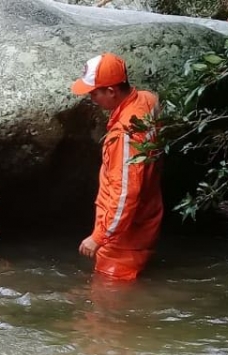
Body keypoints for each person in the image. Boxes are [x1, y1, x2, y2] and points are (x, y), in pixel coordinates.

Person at [71, 53, 163, 281]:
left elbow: (125, 194)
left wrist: (99, 237)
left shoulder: (124, 135)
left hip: (123, 237)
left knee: (108, 297)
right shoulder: (147, 100)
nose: (92, 99)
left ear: (112, 91)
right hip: (145, 216)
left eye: (94, 93)